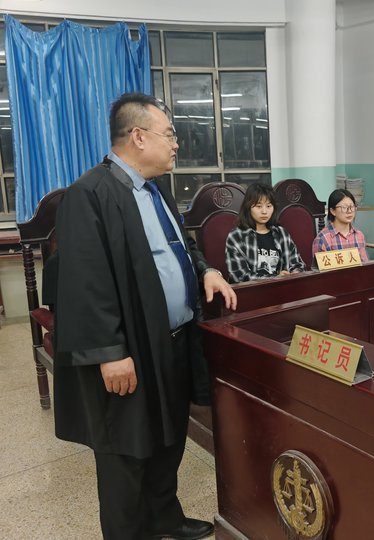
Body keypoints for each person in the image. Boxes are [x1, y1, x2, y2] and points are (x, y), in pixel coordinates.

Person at [53, 93, 237, 540]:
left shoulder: (156, 190)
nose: (176, 144)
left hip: (172, 340)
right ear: (138, 136)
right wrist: (109, 352)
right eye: (169, 134)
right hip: (129, 348)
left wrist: (207, 270)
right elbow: (84, 282)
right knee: (127, 451)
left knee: (168, 437)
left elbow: (182, 247)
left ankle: (164, 518)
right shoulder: (90, 194)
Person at [225, 182, 306, 283]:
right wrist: (275, 278)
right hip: (251, 291)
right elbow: (240, 276)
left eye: (268, 206)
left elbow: (298, 264)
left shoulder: (281, 233)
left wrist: (294, 274)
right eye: (259, 206)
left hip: (283, 288)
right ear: (248, 207)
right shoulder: (237, 236)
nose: (264, 211)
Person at [311, 188, 369, 266]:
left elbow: (365, 265)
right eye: (344, 207)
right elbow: (318, 272)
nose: (349, 211)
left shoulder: (359, 235)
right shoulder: (323, 239)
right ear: (333, 211)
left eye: (352, 206)